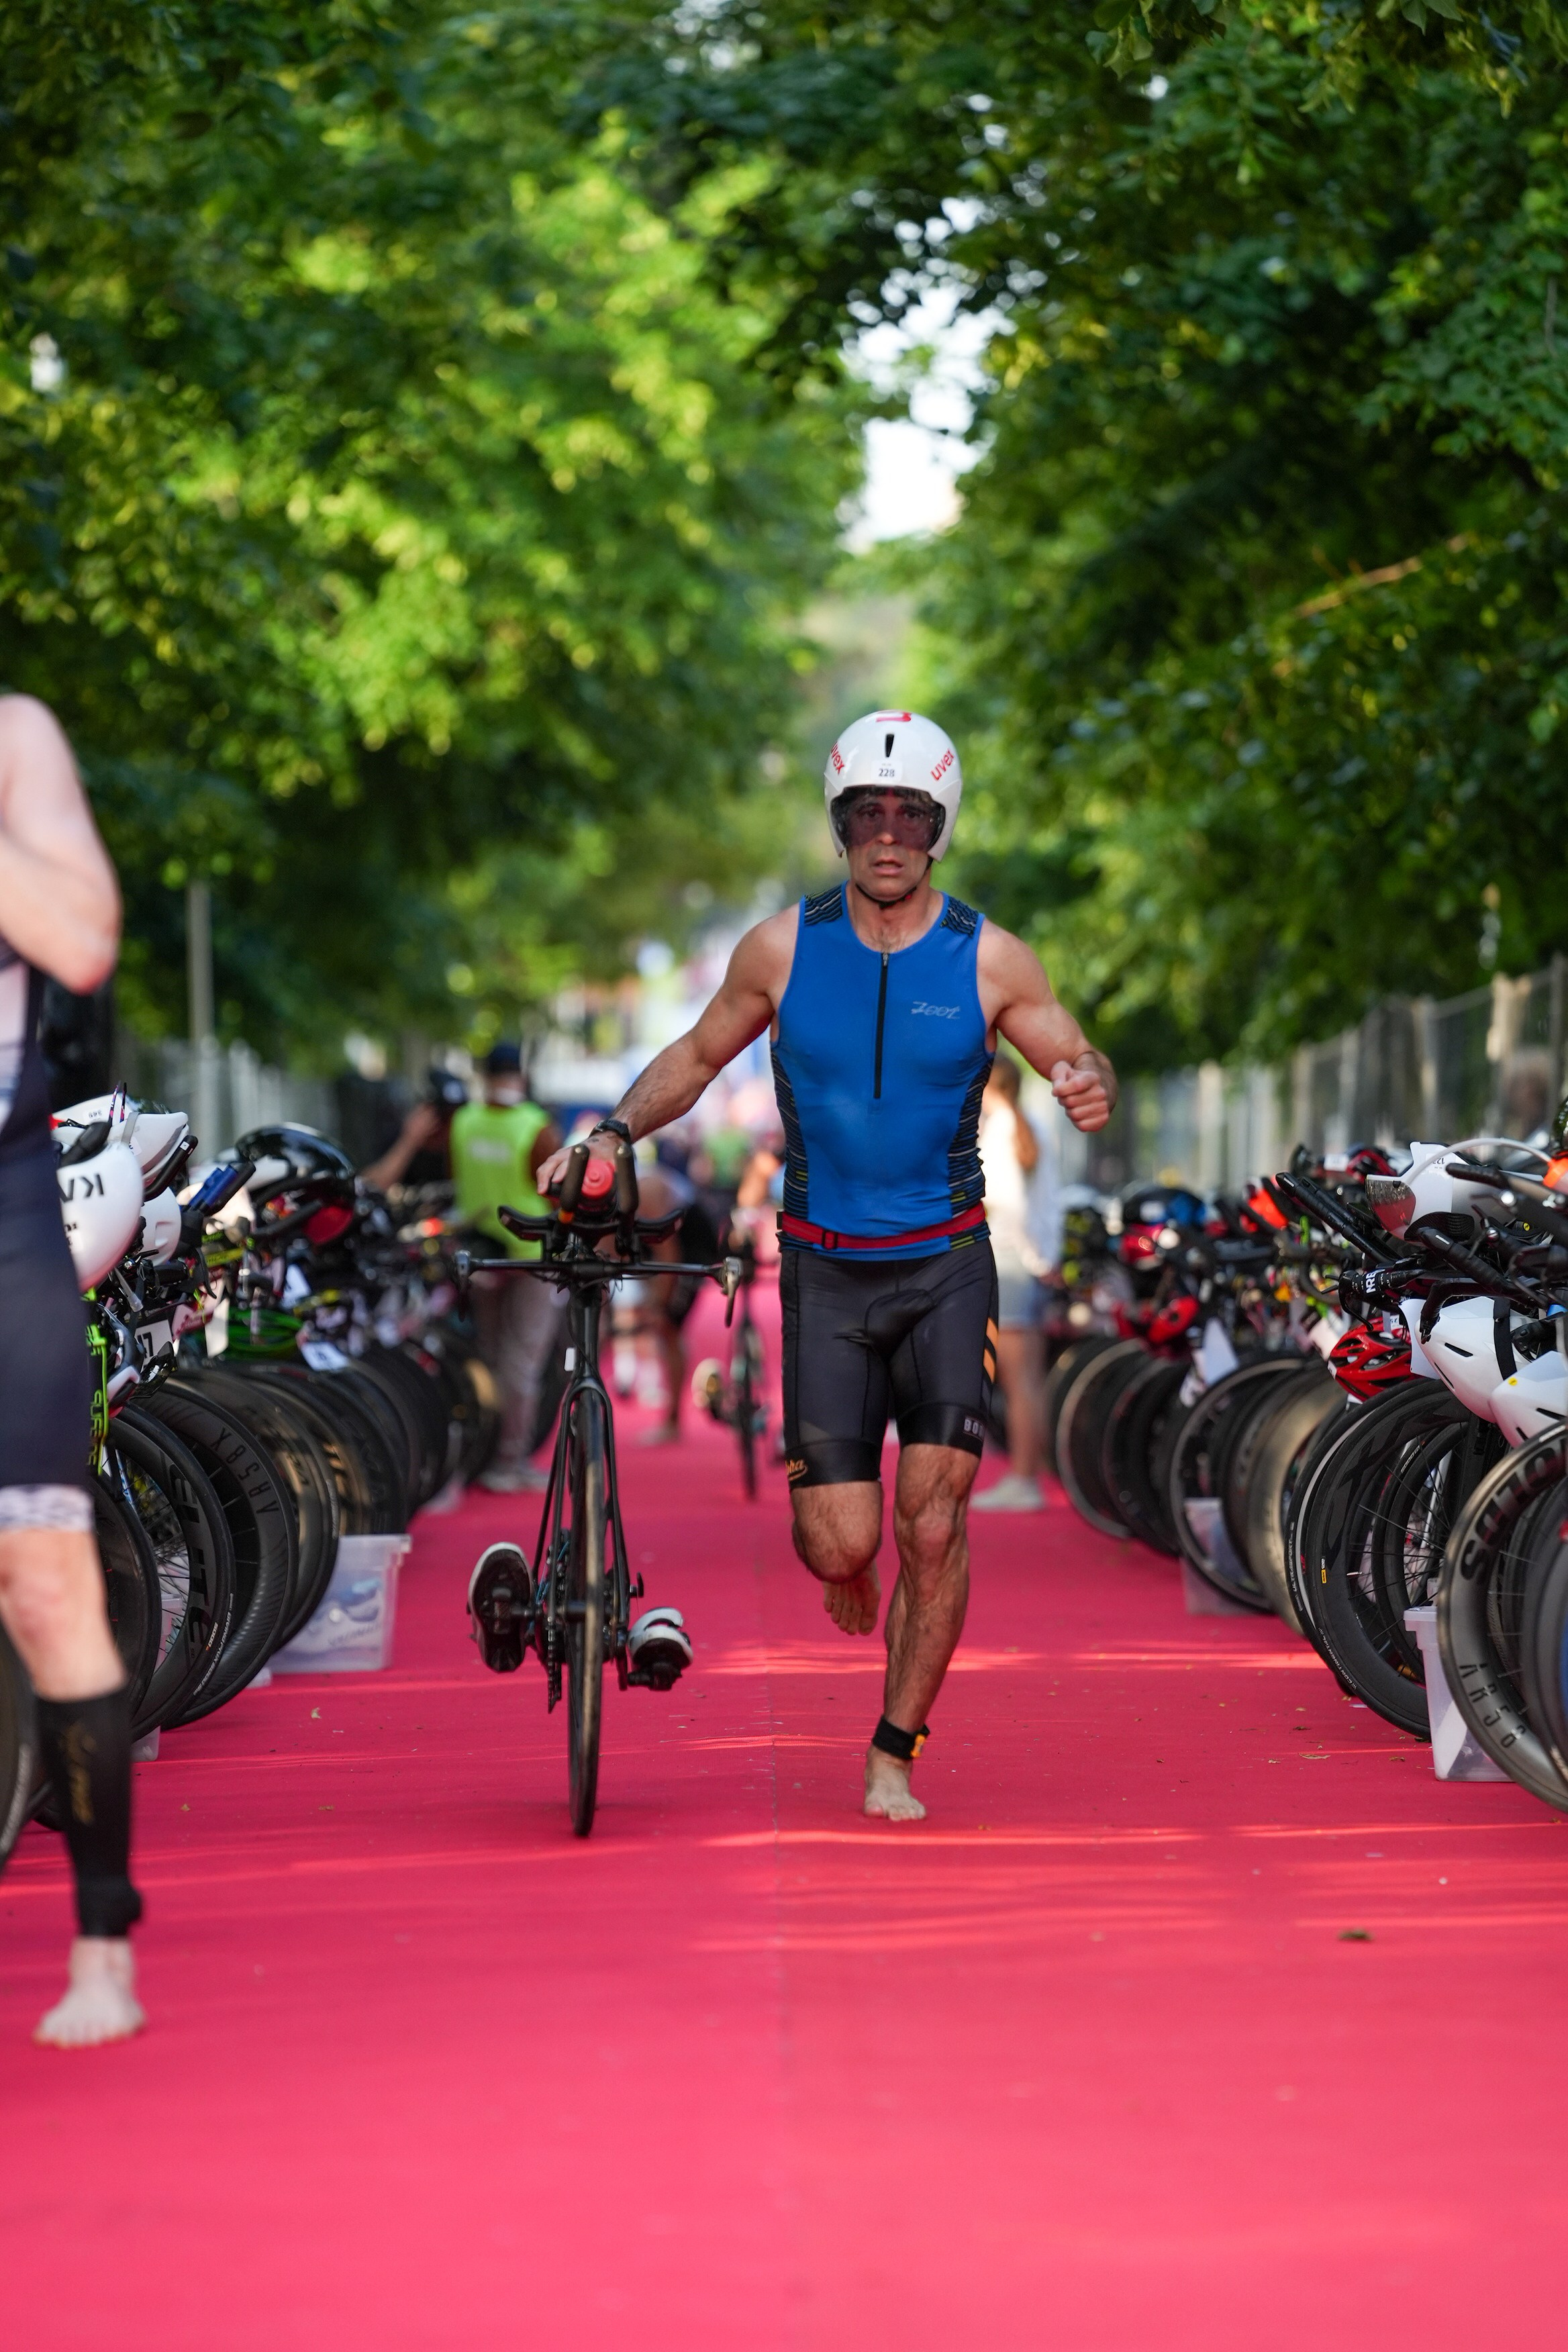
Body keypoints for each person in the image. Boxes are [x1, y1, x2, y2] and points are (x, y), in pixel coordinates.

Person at [537, 709, 1114, 1822]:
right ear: (841, 822)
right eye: (868, 815)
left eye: (910, 816)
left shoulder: (992, 954)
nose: (888, 836)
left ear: (938, 828)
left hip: (947, 1263)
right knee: (839, 1540)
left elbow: (1070, 1050)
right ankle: (849, 1562)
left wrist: (1088, 1080)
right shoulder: (781, 947)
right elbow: (700, 1054)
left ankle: (894, 1745)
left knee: (935, 1520)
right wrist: (612, 1130)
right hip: (823, 1269)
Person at [0, 695, 140, 2045]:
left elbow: (81, 940)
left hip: (3, 1215)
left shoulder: (15, 738)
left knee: (43, 1579)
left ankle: (101, 1945)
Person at [450, 1044, 564, 1491]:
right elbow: (553, 1190)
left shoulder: (463, 1122)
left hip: (480, 1250)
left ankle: (483, 1454)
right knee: (523, 1360)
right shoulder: (536, 1127)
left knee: (490, 1355)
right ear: (521, 1074)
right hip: (530, 1253)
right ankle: (509, 1460)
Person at [972, 1056, 1058, 1513]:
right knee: (1030, 1378)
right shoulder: (1031, 1127)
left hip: (1010, 1259)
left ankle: (1025, 1477)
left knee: (1017, 1377)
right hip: (1030, 1261)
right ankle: (1028, 1471)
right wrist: (1045, 1256)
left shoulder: (1002, 1130)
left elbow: (1006, 1204)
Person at [359, 1067, 467, 1197]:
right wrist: (409, 1141)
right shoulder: (398, 1139)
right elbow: (369, 1187)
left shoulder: (462, 1145)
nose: (449, 1125)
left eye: (457, 1116)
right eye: (443, 1117)